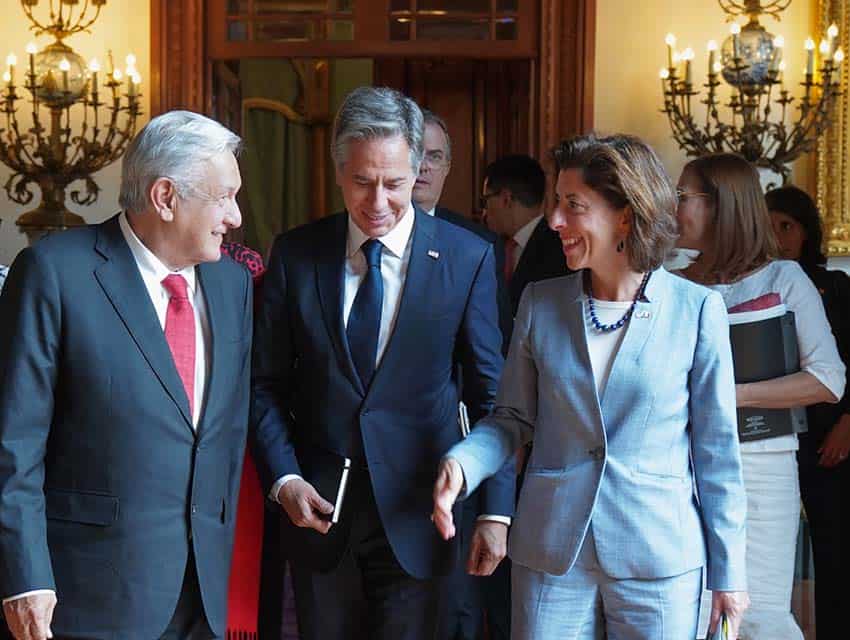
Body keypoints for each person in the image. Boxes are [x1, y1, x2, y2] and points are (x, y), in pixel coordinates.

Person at [433, 133, 750, 640]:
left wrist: (729, 573)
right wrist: (464, 462)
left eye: (573, 206)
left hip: (660, 555)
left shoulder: (697, 311)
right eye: (557, 204)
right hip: (552, 552)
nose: (555, 221)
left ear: (625, 214)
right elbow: (512, 419)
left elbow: (717, 451)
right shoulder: (540, 301)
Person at [251, 86, 510, 640]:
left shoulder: (468, 258)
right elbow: (264, 385)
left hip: (424, 515)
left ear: (418, 170)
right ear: (339, 171)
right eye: (362, 182)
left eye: (394, 183)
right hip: (320, 513)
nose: (378, 202)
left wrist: (495, 511)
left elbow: (494, 400)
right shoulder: (297, 255)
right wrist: (285, 477)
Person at [0, 110, 251, 640]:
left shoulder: (233, 285)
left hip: (203, 595)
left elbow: (222, 437)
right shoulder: (54, 271)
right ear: (166, 197)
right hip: (86, 596)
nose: (235, 217)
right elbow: (13, 443)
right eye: (223, 197)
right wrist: (24, 577)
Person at [673, 154, 845, 640]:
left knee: (757, 613)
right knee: (705, 613)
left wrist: (733, 395)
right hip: (684, 466)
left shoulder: (784, 279)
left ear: (721, 206)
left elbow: (829, 380)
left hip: (762, 469)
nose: (675, 208)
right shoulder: (674, 284)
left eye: (684, 198)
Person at [412, 109, 515, 640]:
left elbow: (487, 371)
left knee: (455, 611)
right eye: (417, 153)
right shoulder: (344, 243)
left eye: (436, 156)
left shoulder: (476, 247)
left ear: (449, 168)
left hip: (455, 450)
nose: (423, 167)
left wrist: (496, 506)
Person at [766, 186, 850, 640]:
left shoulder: (836, 287)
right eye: (770, 226)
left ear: (807, 233)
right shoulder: (750, 282)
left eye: (787, 227)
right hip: (771, 437)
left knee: (835, 555)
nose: (778, 237)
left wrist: (847, 424)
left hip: (828, 439)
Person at [480, 154, 571, 316]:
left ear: (506, 199)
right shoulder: (495, 246)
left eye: (486, 200)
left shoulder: (560, 250)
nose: (484, 212)